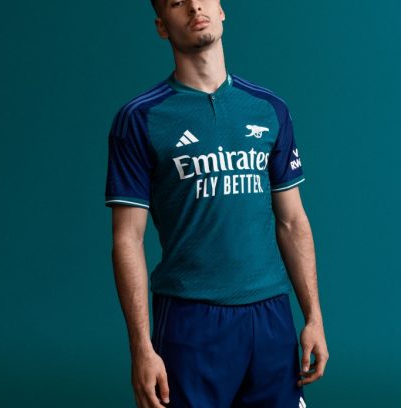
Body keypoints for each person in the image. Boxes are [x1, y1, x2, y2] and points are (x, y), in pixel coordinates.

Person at [104, 0, 329, 406]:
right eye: (177, 2)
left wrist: (313, 317)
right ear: (161, 26)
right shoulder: (140, 118)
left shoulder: (269, 108)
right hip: (191, 321)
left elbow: (292, 221)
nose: (194, 7)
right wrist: (141, 347)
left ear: (221, 10)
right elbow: (127, 239)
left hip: (271, 317)